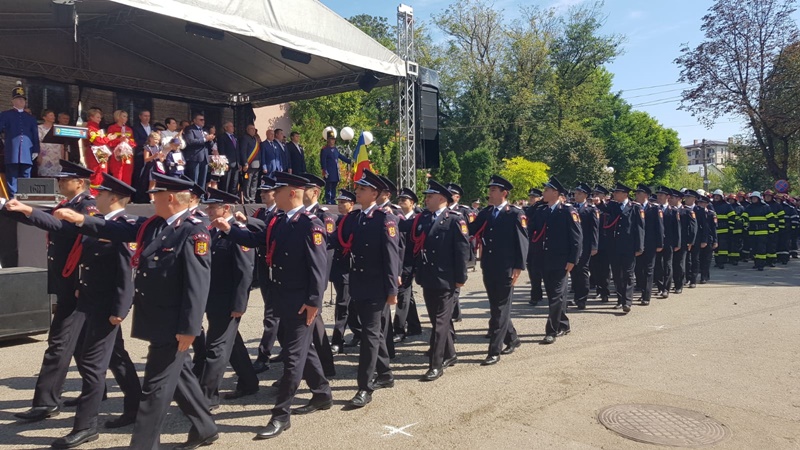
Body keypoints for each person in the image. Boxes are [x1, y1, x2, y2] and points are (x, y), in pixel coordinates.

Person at [57, 173, 218, 450]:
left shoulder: (193, 231)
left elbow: (197, 284)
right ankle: (205, 428)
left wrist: (189, 328)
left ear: (170, 198)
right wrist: (81, 219)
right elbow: (115, 229)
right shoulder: (155, 225)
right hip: (156, 318)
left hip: (174, 324)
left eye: (156, 195)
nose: (151, 199)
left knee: (154, 389)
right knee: (179, 376)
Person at [12, 173, 142, 448]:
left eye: (102, 193)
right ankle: (134, 404)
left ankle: (86, 426)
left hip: (106, 307)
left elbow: (126, 273)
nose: (97, 196)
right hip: (88, 300)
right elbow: (86, 257)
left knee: (93, 364)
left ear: (114, 198)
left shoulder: (122, 227)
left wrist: (120, 309)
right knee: (113, 356)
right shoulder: (99, 222)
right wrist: (80, 287)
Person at [214, 172, 332, 439]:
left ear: (291, 193)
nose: (272, 195)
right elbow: (257, 241)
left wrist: (313, 302)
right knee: (304, 350)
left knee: (293, 358)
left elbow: (318, 268)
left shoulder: (311, 224)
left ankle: (280, 415)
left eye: (277, 191)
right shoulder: (279, 220)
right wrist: (229, 230)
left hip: (301, 303)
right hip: (282, 297)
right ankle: (322, 393)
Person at [5, 160, 98, 423]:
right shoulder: (68, 204)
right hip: (68, 284)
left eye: (64, 179)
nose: (59, 183)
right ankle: (97, 390)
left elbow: (61, 227)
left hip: (77, 286)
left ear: (79, 182)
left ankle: (46, 402)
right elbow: (43, 217)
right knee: (83, 344)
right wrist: (8, 206)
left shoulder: (86, 207)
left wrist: (28, 210)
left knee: (58, 344)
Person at [335, 169, 400, 407]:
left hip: (376, 286)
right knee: (373, 332)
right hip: (358, 283)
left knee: (370, 335)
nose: (357, 192)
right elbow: (337, 241)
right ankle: (385, 374)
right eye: (357, 188)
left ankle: (365, 387)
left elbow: (391, 257)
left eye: (362, 189)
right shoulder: (355, 217)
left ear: (374, 193)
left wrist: (392, 290)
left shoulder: (385, 219)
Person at [195, 188, 259, 410]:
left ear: (227, 208)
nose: (209, 211)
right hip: (214, 299)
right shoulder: (213, 231)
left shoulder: (238, 232)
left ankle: (206, 398)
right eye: (208, 207)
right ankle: (249, 382)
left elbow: (244, 271)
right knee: (232, 344)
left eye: (213, 207)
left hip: (228, 301)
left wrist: (239, 304)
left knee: (216, 348)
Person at [408, 179, 469, 380]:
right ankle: (450, 354)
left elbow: (461, 251)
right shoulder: (425, 218)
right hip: (428, 276)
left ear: (442, 198)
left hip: (446, 278)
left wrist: (460, 277)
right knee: (436, 319)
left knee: (441, 322)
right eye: (426, 196)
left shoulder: (455, 219)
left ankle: (436, 364)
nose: (426, 199)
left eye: (430, 196)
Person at [468, 175, 528, 365]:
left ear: (504, 193)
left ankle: (494, 350)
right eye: (490, 190)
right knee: (496, 306)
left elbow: (522, 242)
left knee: (500, 309)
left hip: (506, 268)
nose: (490, 193)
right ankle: (513, 338)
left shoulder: (515, 214)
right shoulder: (486, 212)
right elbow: (471, 229)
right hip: (489, 265)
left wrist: (518, 267)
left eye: (493, 190)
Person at [528, 177, 581, 343]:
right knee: (553, 295)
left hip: (561, 261)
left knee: (556, 296)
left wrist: (573, 259)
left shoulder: (567, 211)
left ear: (555, 193)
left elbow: (576, 238)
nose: (543, 193)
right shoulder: (541, 211)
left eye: (546, 190)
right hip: (544, 259)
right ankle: (564, 324)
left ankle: (552, 330)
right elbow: (530, 228)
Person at [598, 183, 644, 313]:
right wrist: (599, 202)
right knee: (617, 274)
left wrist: (639, 247)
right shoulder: (613, 206)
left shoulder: (635, 207)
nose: (614, 194)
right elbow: (604, 208)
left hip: (629, 247)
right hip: (614, 246)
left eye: (617, 192)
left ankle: (627, 301)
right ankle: (620, 299)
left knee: (628, 274)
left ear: (625, 194)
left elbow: (640, 228)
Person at [329, 189, 362, 353]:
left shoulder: (355, 221)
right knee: (350, 305)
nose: (340, 205)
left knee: (342, 305)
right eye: (339, 202)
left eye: (343, 202)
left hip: (348, 269)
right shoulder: (336, 220)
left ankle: (338, 340)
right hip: (338, 268)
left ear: (352, 204)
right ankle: (359, 332)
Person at [393, 187, 423, 342]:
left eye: (404, 200)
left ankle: (399, 330)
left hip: (410, 262)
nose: (400, 202)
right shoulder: (396, 219)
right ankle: (414, 325)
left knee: (402, 295)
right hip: (400, 261)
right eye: (399, 199)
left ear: (412, 203)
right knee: (407, 295)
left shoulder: (417, 220)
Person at [0, 83, 39, 196]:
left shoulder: (31, 118)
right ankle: (13, 198)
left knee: (26, 176)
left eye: (23, 99)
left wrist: (36, 150)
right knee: (12, 177)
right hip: (12, 151)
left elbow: (34, 135)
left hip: (27, 152)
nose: (21, 101)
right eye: (18, 99)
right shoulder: (5, 115)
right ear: (13, 101)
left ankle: (24, 199)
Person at [634, 184, 663, 306]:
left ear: (645, 195)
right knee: (638, 269)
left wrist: (660, 243)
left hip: (650, 243)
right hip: (637, 244)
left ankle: (646, 296)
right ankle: (641, 290)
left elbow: (659, 227)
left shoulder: (654, 208)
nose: (636, 196)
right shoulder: (634, 207)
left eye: (638, 194)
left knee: (648, 270)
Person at [570, 183, 599, 310]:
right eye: (575, 193)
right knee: (574, 271)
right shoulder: (571, 208)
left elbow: (594, 229)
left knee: (582, 271)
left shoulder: (591, 209)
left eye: (579, 194)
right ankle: (576, 296)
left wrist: (594, 246)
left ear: (585, 195)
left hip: (585, 245)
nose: (576, 196)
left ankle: (582, 299)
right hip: (573, 245)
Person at [654, 187, 681, 299]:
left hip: (669, 242)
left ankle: (666, 289)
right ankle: (660, 287)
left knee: (668, 265)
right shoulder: (654, 209)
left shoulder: (673, 211)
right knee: (657, 265)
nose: (659, 197)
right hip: (657, 242)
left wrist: (677, 243)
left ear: (667, 197)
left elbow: (677, 229)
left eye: (661, 195)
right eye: (658, 195)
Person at [742, 191, 774, 270]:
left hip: (762, 231)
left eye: (755, 198)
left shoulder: (765, 207)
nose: (753, 199)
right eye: (752, 198)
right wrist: (744, 225)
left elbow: (771, 219)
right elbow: (744, 217)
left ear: (759, 198)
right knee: (754, 249)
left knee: (761, 249)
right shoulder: (749, 207)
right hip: (752, 232)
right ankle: (756, 263)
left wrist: (771, 230)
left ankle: (761, 264)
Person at [319, 132, 352, 204]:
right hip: (328, 171)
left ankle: (333, 199)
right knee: (328, 186)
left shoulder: (335, 149)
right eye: (331, 139)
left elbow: (341, 157)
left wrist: (350, 161)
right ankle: (328, 200)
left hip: (335, 171)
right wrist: (324, 170)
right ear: (328, 140)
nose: (333, 141)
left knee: (334, 185)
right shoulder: (325, 149)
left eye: (334, 139)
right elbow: (323, 161)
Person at [106, 110, 136, 185]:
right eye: (124, 116)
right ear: (118, 117)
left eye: (127, 117)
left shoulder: (129, 129)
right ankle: (116, 192)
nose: (126, 118)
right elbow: (109, 143)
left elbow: (133, 144)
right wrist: (119, 140)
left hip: (128, 156)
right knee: (117, 175)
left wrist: (128, 141)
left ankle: (126, 192)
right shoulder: (112, 128)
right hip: (117, 155)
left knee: (127, 176)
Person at [183, 113, 212, 188]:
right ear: (195, 120)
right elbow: (190, 141)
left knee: (203, 179)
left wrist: (210, 140)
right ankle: (194, 194)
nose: (203, 121)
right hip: (195, 157)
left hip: (204, 158)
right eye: (201, 120)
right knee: (194, 179)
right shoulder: (190, 129)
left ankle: (201, 194)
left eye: (203, 120)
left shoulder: (204, 130)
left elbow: (209, 145)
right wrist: (205, 139)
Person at [685, 190, 706, 288]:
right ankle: (687, 278)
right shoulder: (682, 209)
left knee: (695, 259)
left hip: (697, 238)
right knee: (686, 259)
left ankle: (693, 279)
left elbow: (704, 226)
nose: (686, 199)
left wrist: (704, 240)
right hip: (685, 238)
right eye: (686, 197)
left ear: (694, 199)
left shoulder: (700, 210)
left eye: (689, 197)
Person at [216, 121, 243, 196]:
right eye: (231, 126)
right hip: (227, 164)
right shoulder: (222, 137)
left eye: (233, 126)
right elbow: (222, 151)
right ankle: (225, 197)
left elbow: (238, 151)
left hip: (236, 164)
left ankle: (233, 197)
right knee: (226, 182)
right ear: (226, 128)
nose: (233, 128)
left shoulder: (235, 137)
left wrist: (239, 163)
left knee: (234, 182)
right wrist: (225, 162)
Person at [131, 110, 152, 202]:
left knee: (149, 176)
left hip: (152, 155)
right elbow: (136, 140)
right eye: (145, 116)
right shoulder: (136, 128)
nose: (147, 118)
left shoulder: (153, 128)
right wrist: (149, 143)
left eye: (148, 116)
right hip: (140, 154)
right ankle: (137, 197)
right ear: (140, 116)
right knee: (138, 175)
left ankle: (147, 197)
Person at [697, 195, 718, 283]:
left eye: (702, 203)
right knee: (699, 258)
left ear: (706, 204)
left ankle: (704, 277)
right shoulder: (696, 212)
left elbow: (714, 228)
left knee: (707, 259)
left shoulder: (711, 214)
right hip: (698, 238)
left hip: (709, 239)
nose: (700, 204)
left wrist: (715, 241)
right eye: (699, 202)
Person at [711, 189, 735, 268]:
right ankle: (717, 261)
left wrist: (731, 228)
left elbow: (732, 217)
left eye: (718, 196)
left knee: (722, 247)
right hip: (714, 230)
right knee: (716, 247)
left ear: (721, 197)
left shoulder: (727, 206)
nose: (716, 197)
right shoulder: (711, 205)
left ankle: (722, 262)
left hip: (724, 230)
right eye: (715, 196)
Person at [37, 109, 64, 177]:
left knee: (57, 175)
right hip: (45, 156)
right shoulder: (40, 128)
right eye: (51, 115)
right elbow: (38, 143)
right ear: (44, 117)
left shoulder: (57, 128)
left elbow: (62, 143)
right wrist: (39, 156)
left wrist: (63, 157)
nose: (53, 117)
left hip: (57, 156)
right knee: (45, 175)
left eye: (53, 115)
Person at [240, 124, 262, 203]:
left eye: (254, 129)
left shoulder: (255, 139)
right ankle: (247, 199)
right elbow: (243, 151)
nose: (253, 130)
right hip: (249, 165)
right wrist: (245, 163)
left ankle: (252, 198)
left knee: (254, 183)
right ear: (247, 130)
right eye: (251, 129)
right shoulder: (245, 138)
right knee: (247, 182)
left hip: (257, 164)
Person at [142, 132, 163, 202]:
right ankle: (152, 199)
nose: (157, 141)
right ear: (150, 139)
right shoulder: (147, 148)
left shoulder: (159, 147)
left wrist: (161, 157)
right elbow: (146, 159)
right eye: (155, 139)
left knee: (158, 182)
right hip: (151, 166)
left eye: (158, 140)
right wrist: (153, 156)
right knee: (152, 183)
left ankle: (157, 198)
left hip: (158, 166)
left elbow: (162, 159)